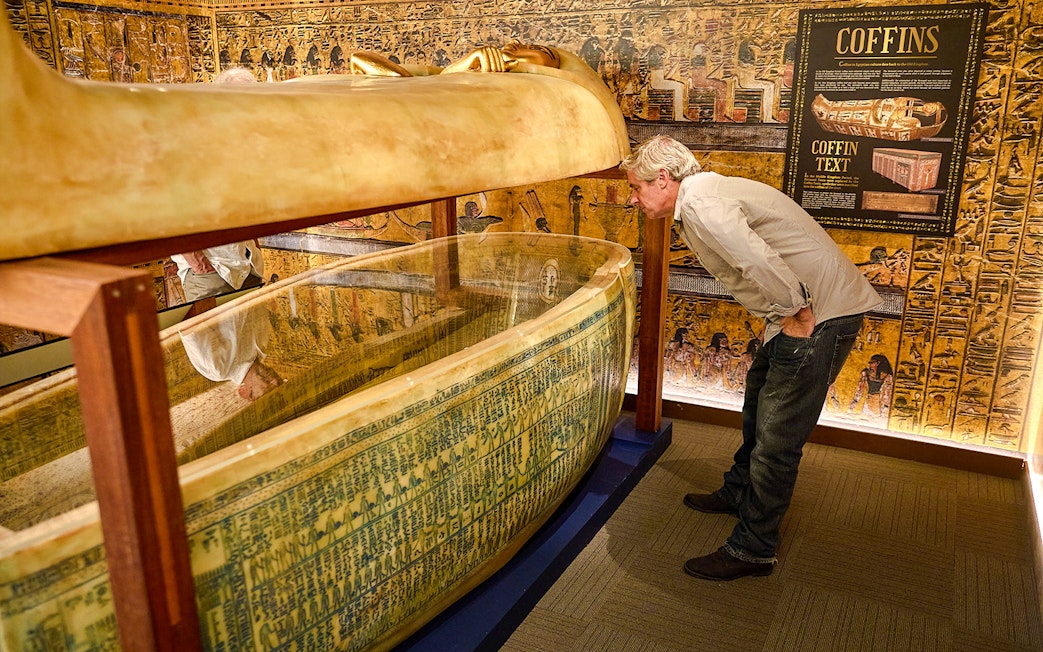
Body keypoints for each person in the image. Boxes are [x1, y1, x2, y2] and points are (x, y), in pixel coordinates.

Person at [620, 135, 881, 581]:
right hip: (800, 312)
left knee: (777, 440)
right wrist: (786, 314)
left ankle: (753, 549)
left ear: (662, 179)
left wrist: (796, 313)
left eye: (636, 187)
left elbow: (755, 259)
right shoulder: (704, 195)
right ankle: (739, 491)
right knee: (758, 405)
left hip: (816, 316)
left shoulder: (702, 204)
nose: (632, 197)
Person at [171, 66, 265, 302]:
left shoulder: (245, 142)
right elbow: (170, 206)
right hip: (211, 272)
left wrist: (253, 245)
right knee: (211, 337)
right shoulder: (193, 140)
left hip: (248, 266)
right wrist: (199, 263)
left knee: (253, 338)